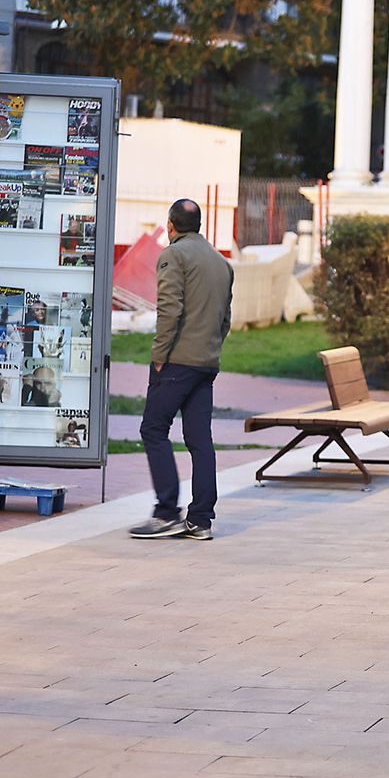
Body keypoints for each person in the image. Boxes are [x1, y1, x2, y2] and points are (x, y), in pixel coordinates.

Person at [130, 198, 234, 541]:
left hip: (176, 361)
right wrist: (210, 350)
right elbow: (225, 319)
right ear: (199, 225)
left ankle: (166, 513)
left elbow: (169, 310)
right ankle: (201, 519)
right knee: (199, 439)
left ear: (170, 226)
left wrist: (159, 355)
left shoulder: (173, 255)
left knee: (154, 429)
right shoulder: (221, 263)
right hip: (206, 363)